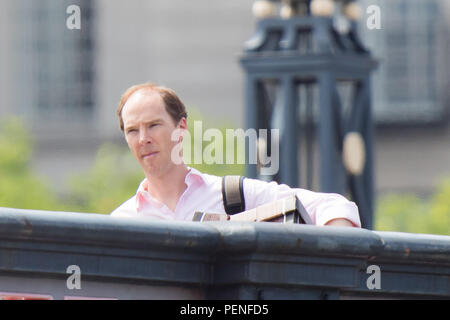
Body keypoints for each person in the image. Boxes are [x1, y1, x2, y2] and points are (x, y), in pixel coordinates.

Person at [110, 83, 361, 227]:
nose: (143, 139)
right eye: (133, 130)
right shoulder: (120, 222)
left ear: (181, 128)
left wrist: (335, 253)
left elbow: (333, 205)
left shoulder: (231, 194)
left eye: (154, 125)